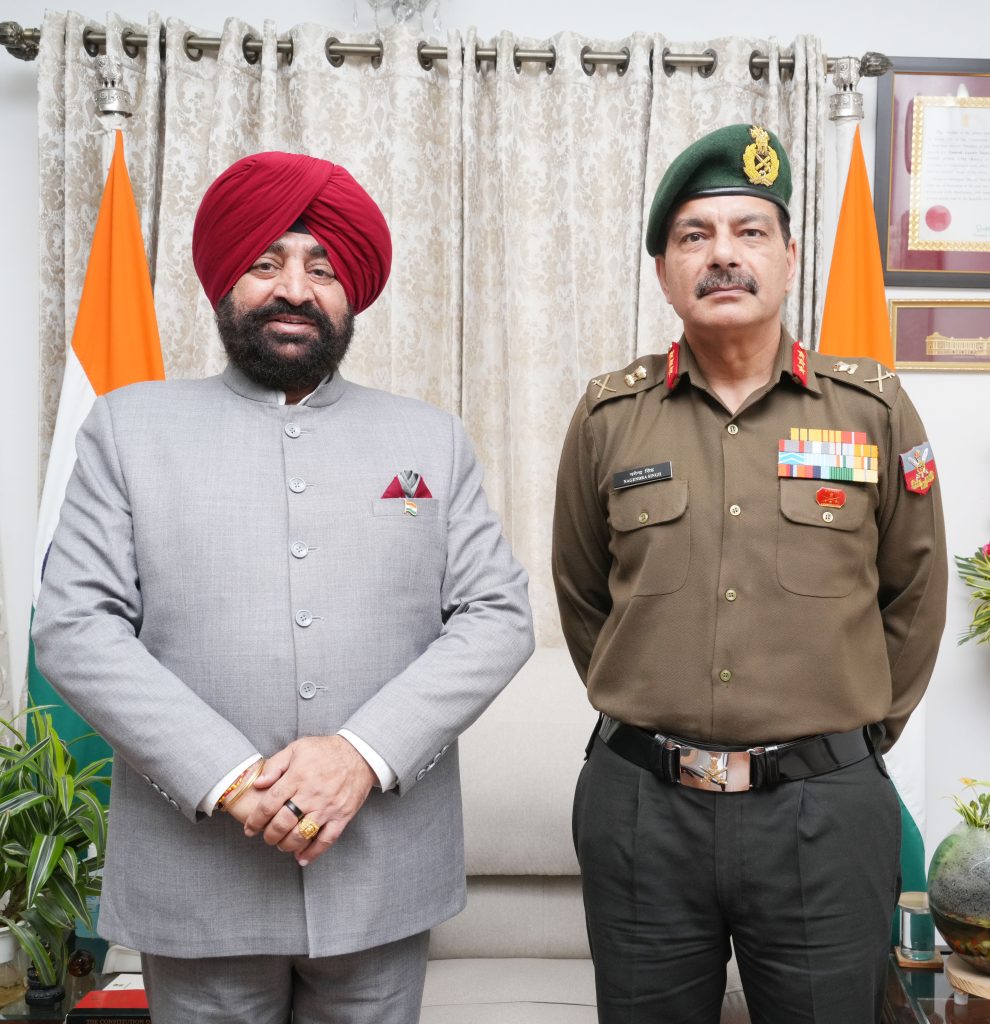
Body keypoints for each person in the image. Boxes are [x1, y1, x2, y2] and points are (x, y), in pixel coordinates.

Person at [33, 151, 534, 1024]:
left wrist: (361, 754)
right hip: (199, 879)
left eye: (322, 269)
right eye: (266, 264)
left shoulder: (431, 439)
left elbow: (498, 615)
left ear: (352, 295)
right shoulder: (126, 428)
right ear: (226, 279)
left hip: (381, 877)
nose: (294, 289)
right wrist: (230, 777)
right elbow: (75, 626)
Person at [552, 124, 947, 1024]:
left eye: (750, 231)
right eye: (694, 235)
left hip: (824, 812)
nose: (723, 254)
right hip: (642, 807)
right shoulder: (610, 416)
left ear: (790, 257)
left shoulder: (871, 408)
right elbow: (582, 594)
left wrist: (843, 745)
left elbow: (914, 594)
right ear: (664, 272)